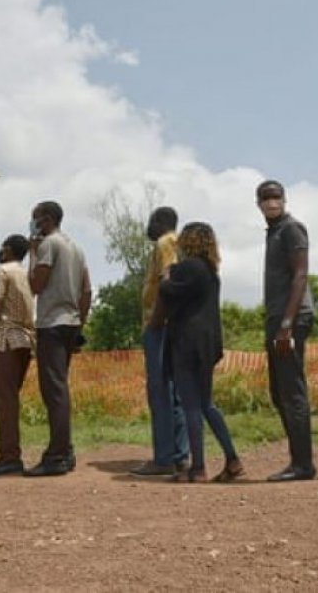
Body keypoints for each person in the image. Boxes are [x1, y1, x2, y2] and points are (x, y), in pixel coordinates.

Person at [159, 222, 242, 483]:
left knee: (191, 404)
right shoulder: (210, 271)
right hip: (207, 343)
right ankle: (232, 458)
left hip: (187, 342)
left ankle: (198, 467)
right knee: (206, 404)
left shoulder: (187, 269)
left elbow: (168, 293)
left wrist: (165, 277)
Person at [24, 201, 91, 477]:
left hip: (51, 324)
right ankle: (66, 450)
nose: (33, 222)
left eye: (36, 218)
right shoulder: (76, 248)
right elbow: (87, 291)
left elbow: (35, 285)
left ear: (47, 219)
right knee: (60, 388)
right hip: (70, 324)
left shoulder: (48, 245)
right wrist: (79, 325)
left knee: (54, 391)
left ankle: (57, 455)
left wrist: (32, 253)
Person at [256, 180, 316, 482]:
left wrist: (286, 324)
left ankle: (303, 465)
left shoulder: (292, 229)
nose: (271, 202)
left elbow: (301, 274)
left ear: (285, 199)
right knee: (279, 392)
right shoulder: (273, 232)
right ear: (258, 204)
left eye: (275, 197)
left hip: (291, 318)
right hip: (277, 316)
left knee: (292, 391)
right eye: (265, 198)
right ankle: (298, 460)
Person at [130, 207, 189, 477]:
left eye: (152, 220)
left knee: (161, 391)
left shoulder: (166, 242)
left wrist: (156, 319)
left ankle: (164, 458)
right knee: (175, 391)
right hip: (174, 324)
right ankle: (179, 455)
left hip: (161, 325)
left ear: (162, 222)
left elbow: (168, 279)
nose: (149, 226)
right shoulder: (179, 244)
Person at [0, 235, 35, 476]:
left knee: (4, 401)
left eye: (2, 246)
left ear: (8, 250)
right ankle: (11, 454)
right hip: (26, 341)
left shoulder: (2, 271)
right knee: (11, 398)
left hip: (5, 339)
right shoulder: (26, 274)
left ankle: (9, 456)